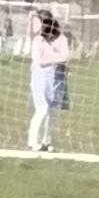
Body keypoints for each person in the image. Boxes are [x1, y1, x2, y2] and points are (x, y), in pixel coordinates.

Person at [27, 9, 72, 154]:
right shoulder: (38, 40)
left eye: (36, 22)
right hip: (40, 78)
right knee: (42, 109)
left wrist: (52, 58)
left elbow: (66, 56)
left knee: (53, 112)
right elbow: (40, 61)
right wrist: (57, 57)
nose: (34, 26)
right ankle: (33, 141)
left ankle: (47, 141)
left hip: (58, 79)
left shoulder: (62, 39)